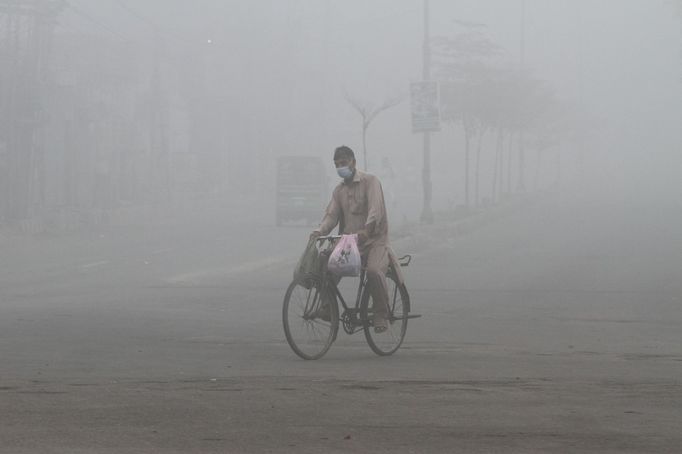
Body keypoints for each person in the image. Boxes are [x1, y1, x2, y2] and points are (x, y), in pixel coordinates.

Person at [310, 146, 402, 333]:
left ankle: (380, 314)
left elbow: (376, 210)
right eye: (336, 165)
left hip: (374, 242)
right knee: (323, 263)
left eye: (343, 163)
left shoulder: (371, 182)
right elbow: (331, 216)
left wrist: (367, 230)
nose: (340, 168)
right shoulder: (339, 191)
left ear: (353, 162)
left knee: (375, 272)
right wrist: (319, 231)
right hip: (349, 245)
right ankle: (327, 306)